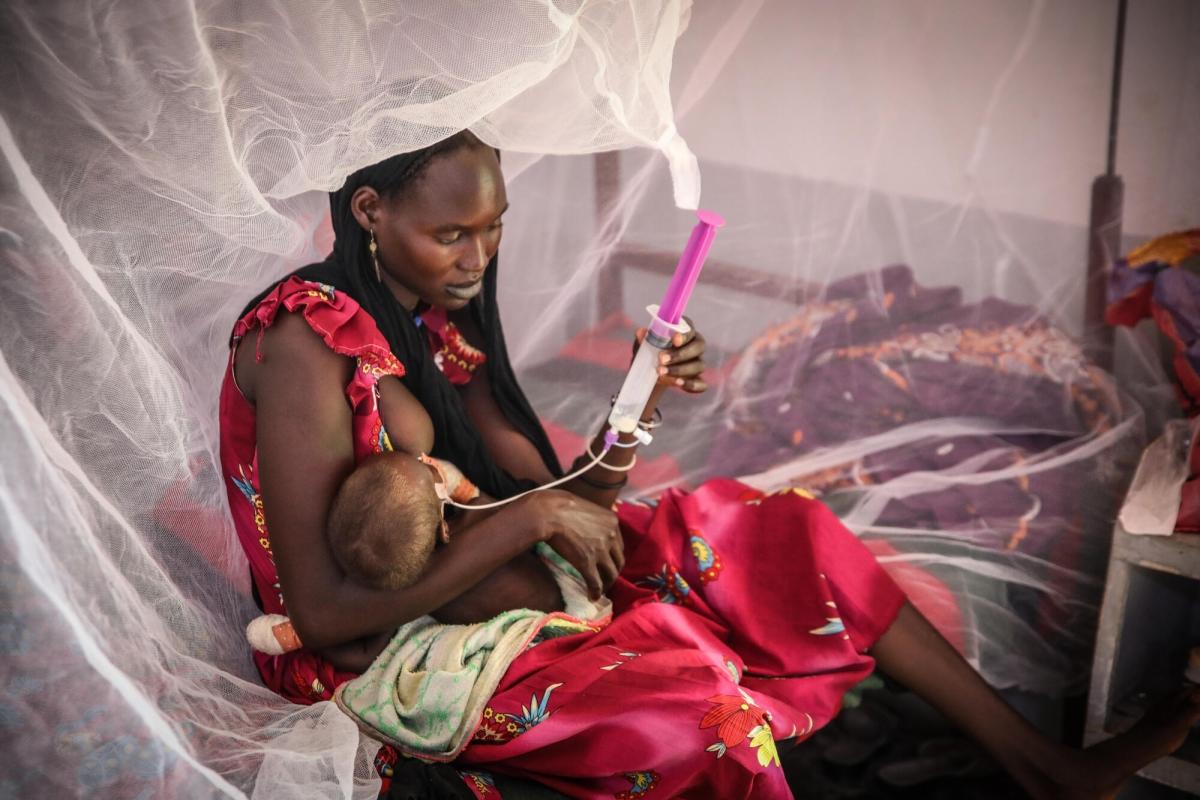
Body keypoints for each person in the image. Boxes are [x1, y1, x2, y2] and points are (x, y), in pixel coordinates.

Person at [218, 131, 1200, 799]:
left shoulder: (437, 316)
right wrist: (530, 522)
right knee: (704, 717)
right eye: (453, 234)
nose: (480, 257)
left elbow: (574, 496)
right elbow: (327, 613)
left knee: (779, 530)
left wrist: (642, 393)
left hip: (524, 579)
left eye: (496, 226)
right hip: (409, 647)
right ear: (370, 210)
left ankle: (1044, 767)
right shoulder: (305, 340)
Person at [244, 451, 479, 657]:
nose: (429, 465)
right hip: (373, 630)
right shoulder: (389, 616)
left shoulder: (333, 562)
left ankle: (297, 636)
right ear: (443, 530)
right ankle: (302, 637)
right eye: (429, 477)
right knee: (368, 649)